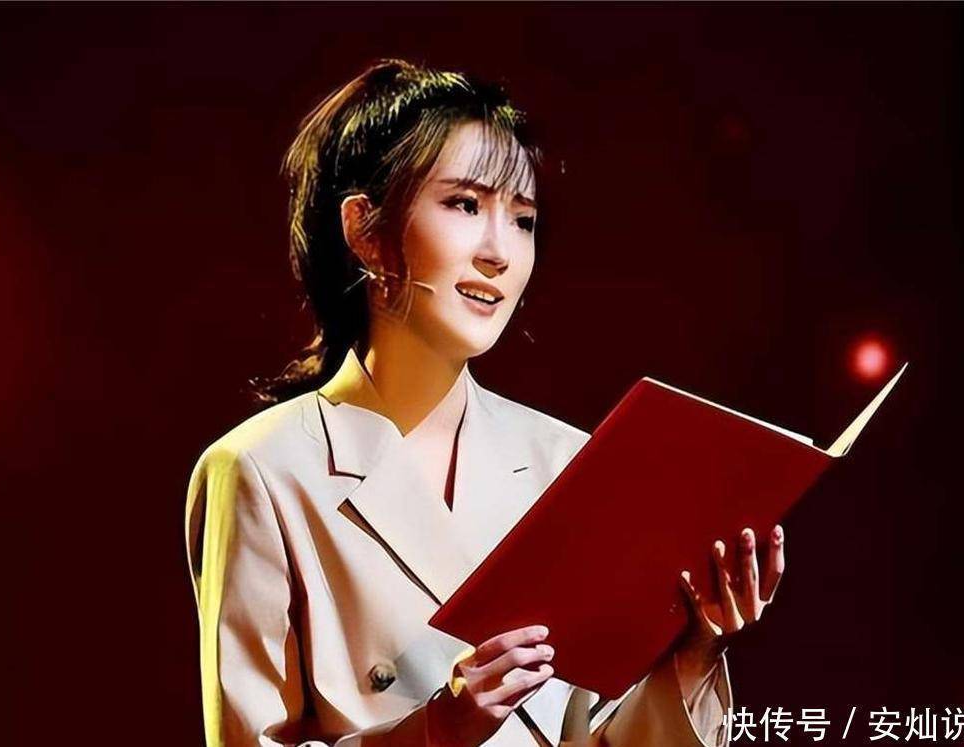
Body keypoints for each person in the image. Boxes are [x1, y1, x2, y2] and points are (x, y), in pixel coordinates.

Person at [183, 58, 787, 747]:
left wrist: (696, 648)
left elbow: (594, 735)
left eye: (523, 219)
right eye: (465, 205)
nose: (499, 252)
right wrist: (438, 728)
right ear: (366, 231)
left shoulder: (567, 461)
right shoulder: (264, 469)